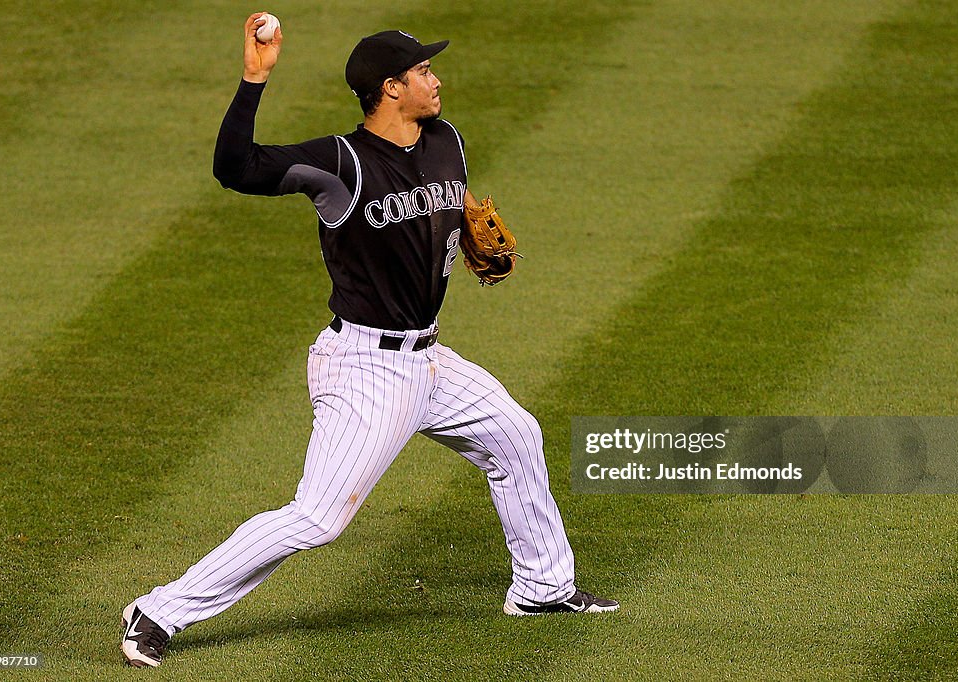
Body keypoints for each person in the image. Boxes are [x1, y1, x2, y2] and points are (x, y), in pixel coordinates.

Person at [120, 13, 618, 668]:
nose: (435, 81)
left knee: (516, 435)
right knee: (319, 517)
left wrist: (467, 238)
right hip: (364, 367)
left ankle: (542, 587)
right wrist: (253, 79)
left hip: (430, 359)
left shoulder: (446, 141)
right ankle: (158, 610)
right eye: (423, 73)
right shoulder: (339, 163)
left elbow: (451, 208)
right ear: (389, 88)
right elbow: (234, 167)